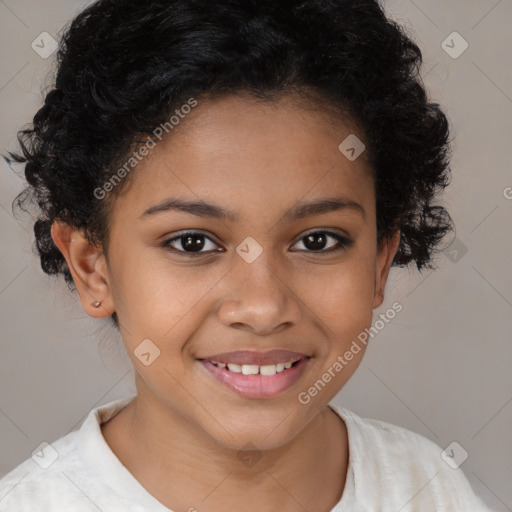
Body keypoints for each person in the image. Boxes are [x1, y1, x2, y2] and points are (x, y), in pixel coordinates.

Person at [0, 0, 494, 510]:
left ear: (378, 263)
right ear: (92, 267)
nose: (262, 308)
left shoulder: (429, 489)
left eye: (317, 240)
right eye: (192, 242)